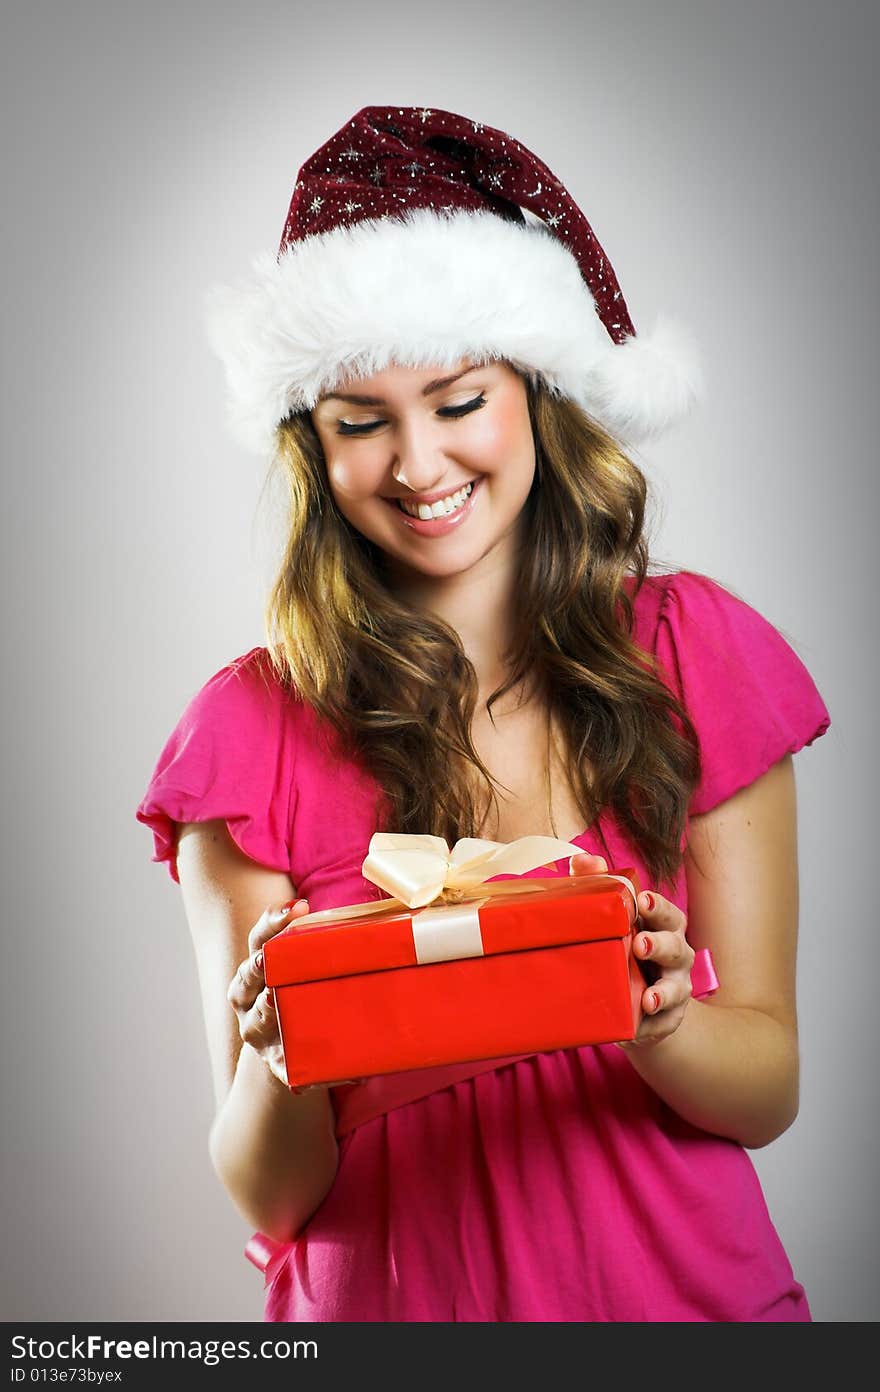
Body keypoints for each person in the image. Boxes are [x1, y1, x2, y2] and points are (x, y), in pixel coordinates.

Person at [135, 106, 831, 1323]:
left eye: (458, 400)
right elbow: (268, 1196)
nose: (416, 464)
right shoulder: (247, 738)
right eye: (361, 422)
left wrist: (660, 1019)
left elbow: (763, 1086)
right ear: (313, 442)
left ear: (535, 394)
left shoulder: (694, 654)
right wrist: (282, 1061)